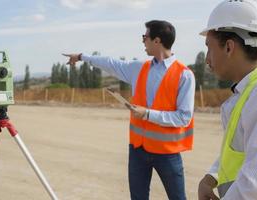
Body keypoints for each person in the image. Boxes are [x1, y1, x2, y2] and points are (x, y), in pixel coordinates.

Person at [63, 20, 195, 200]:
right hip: (138, 150)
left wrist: (147, 114)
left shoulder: (184, 75)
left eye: (145, 37)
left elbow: (183, 118)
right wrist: (81, 56)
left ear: (157, 41)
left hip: (168, 153)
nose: (143, 41)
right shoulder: (139, 68)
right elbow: (111, 63)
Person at [198, 0, 257, 199]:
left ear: (229, 47)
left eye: (209, 48)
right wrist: (211, 178)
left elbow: (255, 187)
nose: (207, 59)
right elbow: (239, 152)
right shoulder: (249, 92)